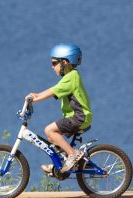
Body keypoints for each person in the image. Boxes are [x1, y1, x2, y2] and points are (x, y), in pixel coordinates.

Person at [26, 43, 93, 174]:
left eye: (54, 63)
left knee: (49, 130)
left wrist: (35, 99)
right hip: (77, 117)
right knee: (52, 138)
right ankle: (61, 164)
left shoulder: (72, 77)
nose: (52, 67)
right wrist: (37, 94)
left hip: (79, 117)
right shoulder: (70, 76)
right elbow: (54, 89)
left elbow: (53, 91)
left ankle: (72, 155)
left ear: (65, 62)